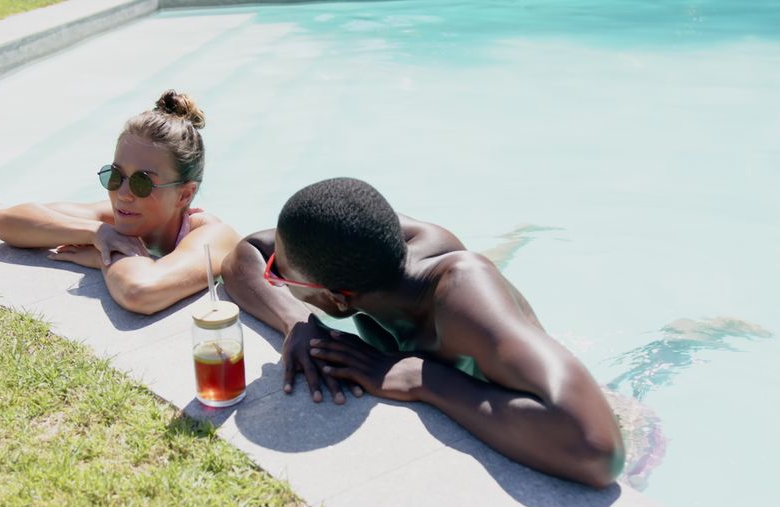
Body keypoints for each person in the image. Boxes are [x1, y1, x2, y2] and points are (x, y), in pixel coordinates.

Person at [221, 177, 624, 488]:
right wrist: (298, 321)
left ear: (338, 299)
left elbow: (598, 451)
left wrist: (422, 378)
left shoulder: (463, 298)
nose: (274, 276)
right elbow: (244, 254)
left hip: (609, 424)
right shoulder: (371, 247)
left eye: (280, 274)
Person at [0, 90, 240, 315]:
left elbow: (140, 292)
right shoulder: (115, 216)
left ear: (184, 195)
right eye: (116, 176)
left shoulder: (213, 234)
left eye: (142, 183)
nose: (123, 194)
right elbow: (0, 222)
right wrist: (97, 233)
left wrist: (103, 256)